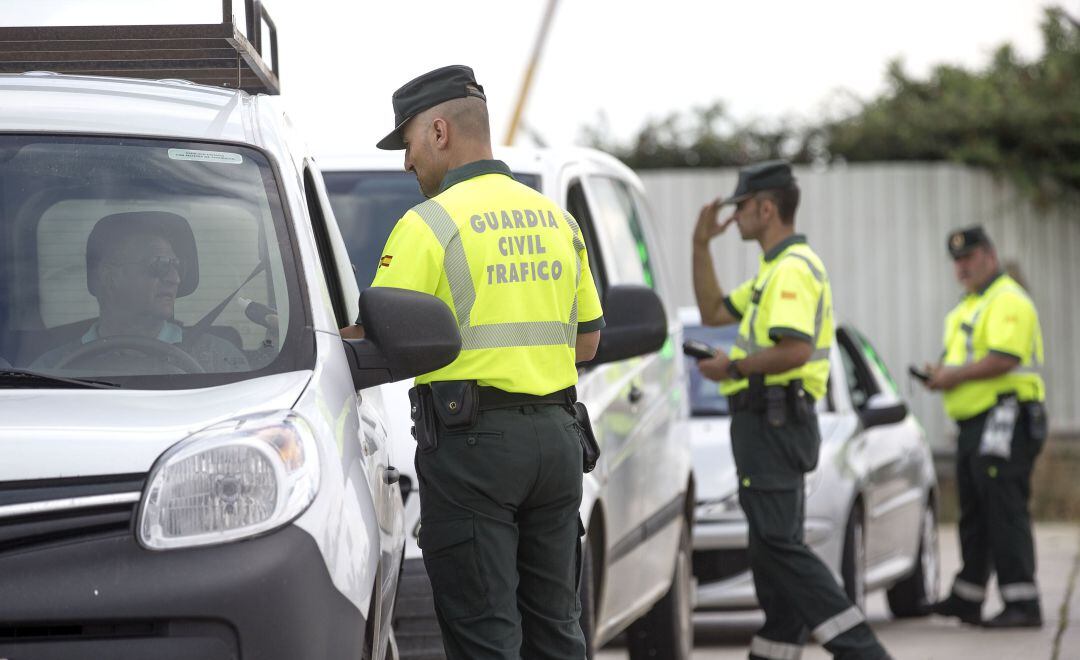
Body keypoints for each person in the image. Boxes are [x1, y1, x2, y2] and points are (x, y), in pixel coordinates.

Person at [343, 65, 603, 659]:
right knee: (558, 632)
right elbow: (586, 341)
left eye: (406, 144)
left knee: (485, 635)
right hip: (559, 442)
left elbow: (380, 340)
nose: (407, 163)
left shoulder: (429, 224)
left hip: (473, 451)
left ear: (439, 132)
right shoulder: (557, 220)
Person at [691, 161, 889, 660]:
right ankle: (775, 650)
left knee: (779, 546)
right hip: (770, 423)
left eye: (740, 210)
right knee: (769, 551)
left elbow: (794, 350)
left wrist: (732, 368)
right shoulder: (773, 270)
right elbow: (714, 311)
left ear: (766, 208)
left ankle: (863, 650)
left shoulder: (791, 271)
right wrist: (700, 245)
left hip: (774, 421)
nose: (734, 219)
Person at [923, 226, 1047, 628]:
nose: (962, 267)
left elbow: (1003, 358)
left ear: (990, 256)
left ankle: (1022, 602)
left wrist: (951, 377)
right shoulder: (969, 305)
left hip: (1004, 418)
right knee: (975, 512)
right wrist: (941, 374)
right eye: (957, 261)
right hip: (975, 422)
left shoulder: (1007, 299)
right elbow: (968, 359)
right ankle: (969, 596)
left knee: (1004, 510)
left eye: (969, 258)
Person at [33, 211, 248, 373]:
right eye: (160, 264)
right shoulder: (51, 369)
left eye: (177, 266)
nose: (175, 279)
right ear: (111, 277)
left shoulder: (219, 359)